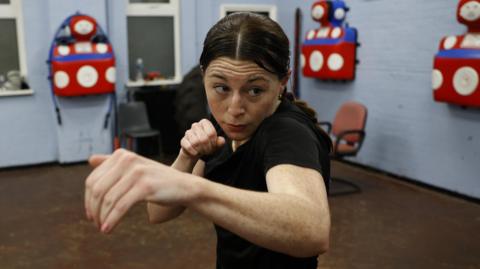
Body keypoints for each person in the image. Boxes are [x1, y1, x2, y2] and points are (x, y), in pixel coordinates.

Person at [84, 12, 332, 269]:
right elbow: (159, 213)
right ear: (203, 76)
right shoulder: (221, 128)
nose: (234, 108)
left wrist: (191, 189)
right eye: (221, 88)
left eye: (255, 90)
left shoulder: (286, 131)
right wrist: (186, 158)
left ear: (282, 82)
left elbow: (312, 230)